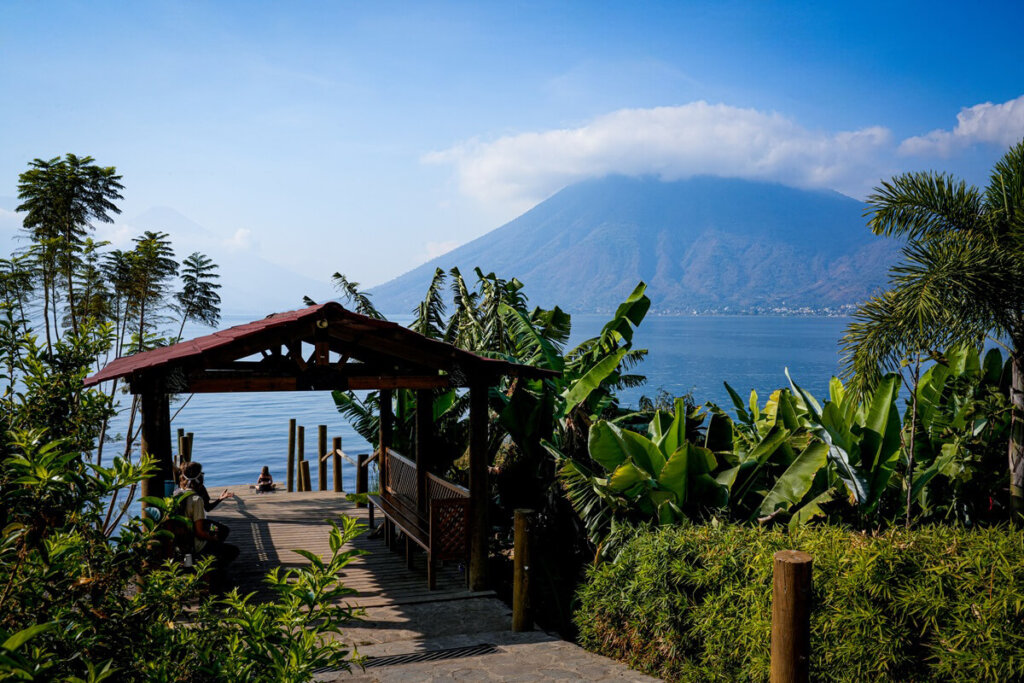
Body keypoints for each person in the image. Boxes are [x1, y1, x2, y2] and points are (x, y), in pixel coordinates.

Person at [179, 461, 239, 592]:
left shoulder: (178, 493)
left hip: (186, 537)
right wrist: (213, 538)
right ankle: (212, 567)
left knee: (220, 529)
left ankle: (213, 551)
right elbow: (200, 532)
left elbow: (207, 508)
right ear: (199, 477)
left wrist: (219, 499)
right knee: (231, 550)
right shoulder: (196, 499)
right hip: (196, 539)